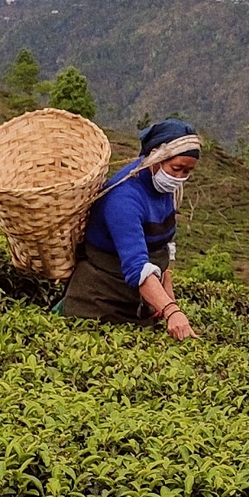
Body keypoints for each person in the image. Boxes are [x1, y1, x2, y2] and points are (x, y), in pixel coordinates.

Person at [59, 119, 200, 340]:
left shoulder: (164, 189)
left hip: (140, 305)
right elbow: (137, 267)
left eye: (187, 171)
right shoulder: (123, 198)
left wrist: (167, 299)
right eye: (176, 168)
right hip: (98, 307)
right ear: (155, 157)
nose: (179, 177)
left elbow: (162, 248)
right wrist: (171, 311)